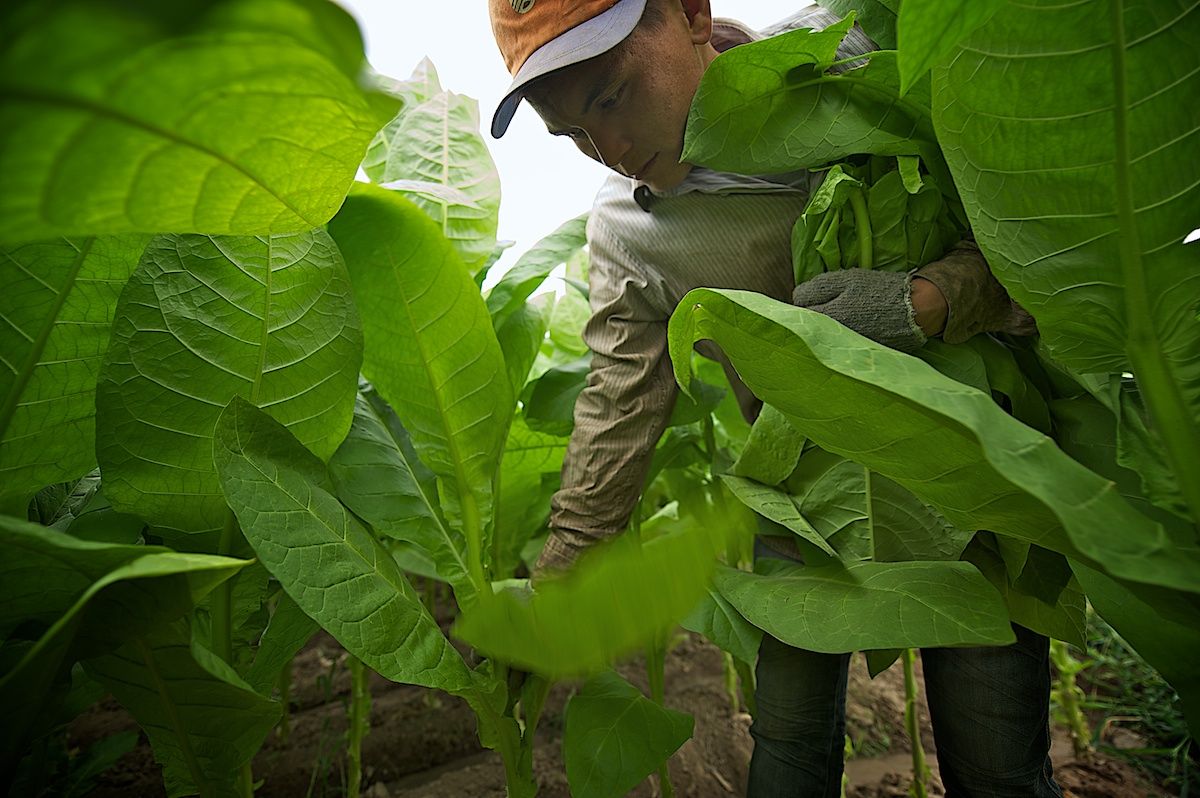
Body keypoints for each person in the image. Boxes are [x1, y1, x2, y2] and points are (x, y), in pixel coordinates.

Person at [487, 1, 1060, 795]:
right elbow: (614, 417)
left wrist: (926, 300)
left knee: (994, 761)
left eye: (612, 99)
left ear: (690, 13)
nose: (610, 152)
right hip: (804, 500)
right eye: (573, 136)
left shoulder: (853, 56)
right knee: (788, 752)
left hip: (974, 472)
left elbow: (1039, 228)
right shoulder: (626, 234)